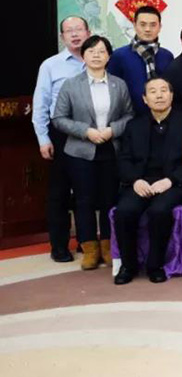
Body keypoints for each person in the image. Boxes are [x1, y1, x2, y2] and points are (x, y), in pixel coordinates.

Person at [52, 35, 134, 270]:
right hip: (80, 151)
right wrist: (86, 131)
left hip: (111, 149)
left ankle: (108, 246)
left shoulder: (119, 84)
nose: (96, 55)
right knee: (84, 200)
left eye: (101, 51)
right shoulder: (71, 85)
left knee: (110, 198)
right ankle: (89, 247)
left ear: (109, 56)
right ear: (83, 56)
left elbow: (129, 115)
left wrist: (112, 130)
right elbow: (59, 118)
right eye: (91, 51)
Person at [113, 77, 182, 285]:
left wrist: (171, 180)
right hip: (140, 181)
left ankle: (155, 265)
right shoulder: (134, 125)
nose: (159, 95)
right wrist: (135, 180)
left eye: (164, 90)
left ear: (172, 95)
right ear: (144, 99)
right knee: (124, 211)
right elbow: (124, 159)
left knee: (159, 211)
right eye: (153, 91)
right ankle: (128, 265)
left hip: (172, 182)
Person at [32, 15, 87, 261]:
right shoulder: (51, 65)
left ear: (88, 33)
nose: (75, 34)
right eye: (69, 31)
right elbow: (41, 104)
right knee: (60, 193)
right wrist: (43, 138)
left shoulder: (99, 60)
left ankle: (87, 241)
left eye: (79, 29)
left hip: (91, 133)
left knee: (87, 191)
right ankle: (59, 246)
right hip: (61, 134)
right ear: (62, 36)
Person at [108, 5, 173, 116]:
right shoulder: (119, 55)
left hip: (162, 117)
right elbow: (113, 90)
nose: (147, 29)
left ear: (160, 27)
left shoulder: (166, 56)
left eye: (153, 25)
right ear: (134, 25)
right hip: (129, 117)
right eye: (143, 24)